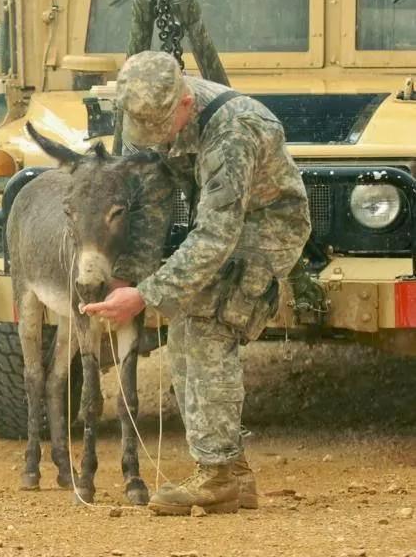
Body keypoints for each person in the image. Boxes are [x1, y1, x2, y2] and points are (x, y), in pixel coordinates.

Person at [84, 50, 311, 516]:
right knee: (185, 324)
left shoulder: (234, 131)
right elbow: (152, 204)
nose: (155, 139)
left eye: (162, 128)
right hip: (219, 227)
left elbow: (217, 234)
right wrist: (128, 274)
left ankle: (220, 474)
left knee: (207, 325)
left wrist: (147, 295)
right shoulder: (149, 114)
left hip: (266, 228)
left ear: (185, 103)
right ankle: (232, 473)